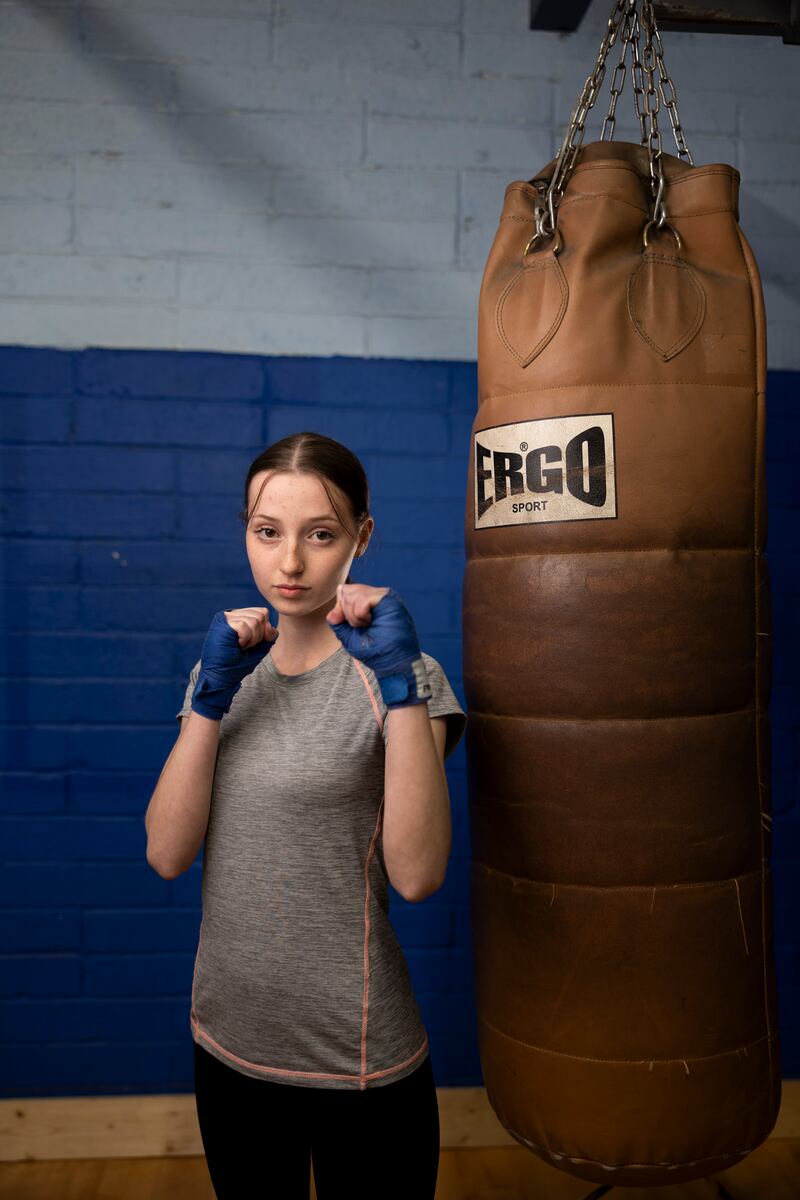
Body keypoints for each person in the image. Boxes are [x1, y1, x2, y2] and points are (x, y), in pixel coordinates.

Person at [144, 431, 467, 1199]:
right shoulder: (220, 672)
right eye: (268, 533)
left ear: (362, 538)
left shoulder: (408, 674)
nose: (290, 563)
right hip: (228, 1041)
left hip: (356, 1054)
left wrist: (401, 695)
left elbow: (419, 875)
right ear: (246, 535)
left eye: (320, 535)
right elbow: (166, 851)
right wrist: (208, 703)